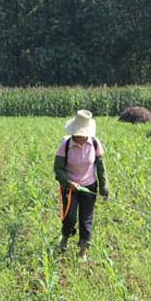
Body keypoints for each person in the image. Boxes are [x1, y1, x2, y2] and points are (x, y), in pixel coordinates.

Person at [53, 110, 109, 260]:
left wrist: (104, 187)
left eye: (82, 135)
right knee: (69, 217)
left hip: (89, 187)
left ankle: (83, 251)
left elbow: (101, 167)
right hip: (70, 188)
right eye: (76, 135)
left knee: (86, 219)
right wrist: (67, 182)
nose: (79, 138)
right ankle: (65, 238)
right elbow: (58, 168)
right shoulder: (65, 145)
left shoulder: (95, 144)